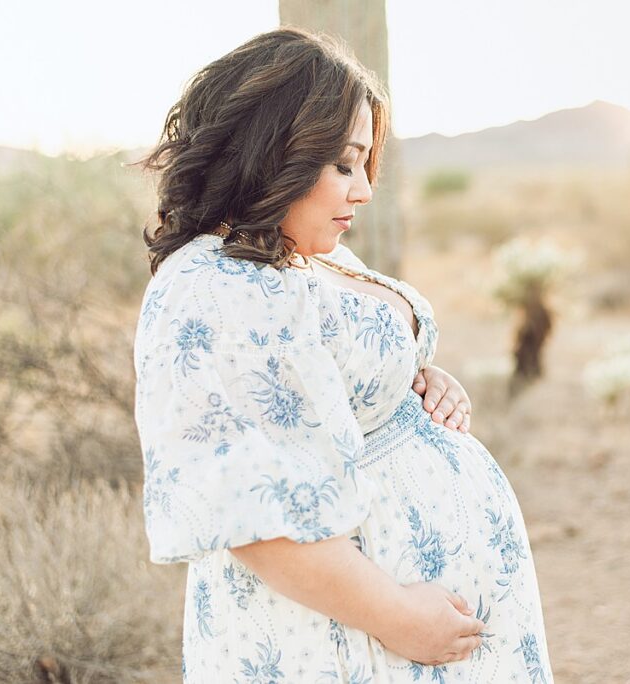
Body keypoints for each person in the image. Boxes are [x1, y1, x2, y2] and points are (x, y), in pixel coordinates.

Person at [132, 26, 553, 683]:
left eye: (364, 164)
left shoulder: (297, 252)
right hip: (344, 638)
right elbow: (252, 514)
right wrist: (397, 617)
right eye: (343, 163)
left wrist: (417, 385)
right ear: (275, 152)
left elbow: (338, 373)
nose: (363, 191)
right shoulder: (212, 287)